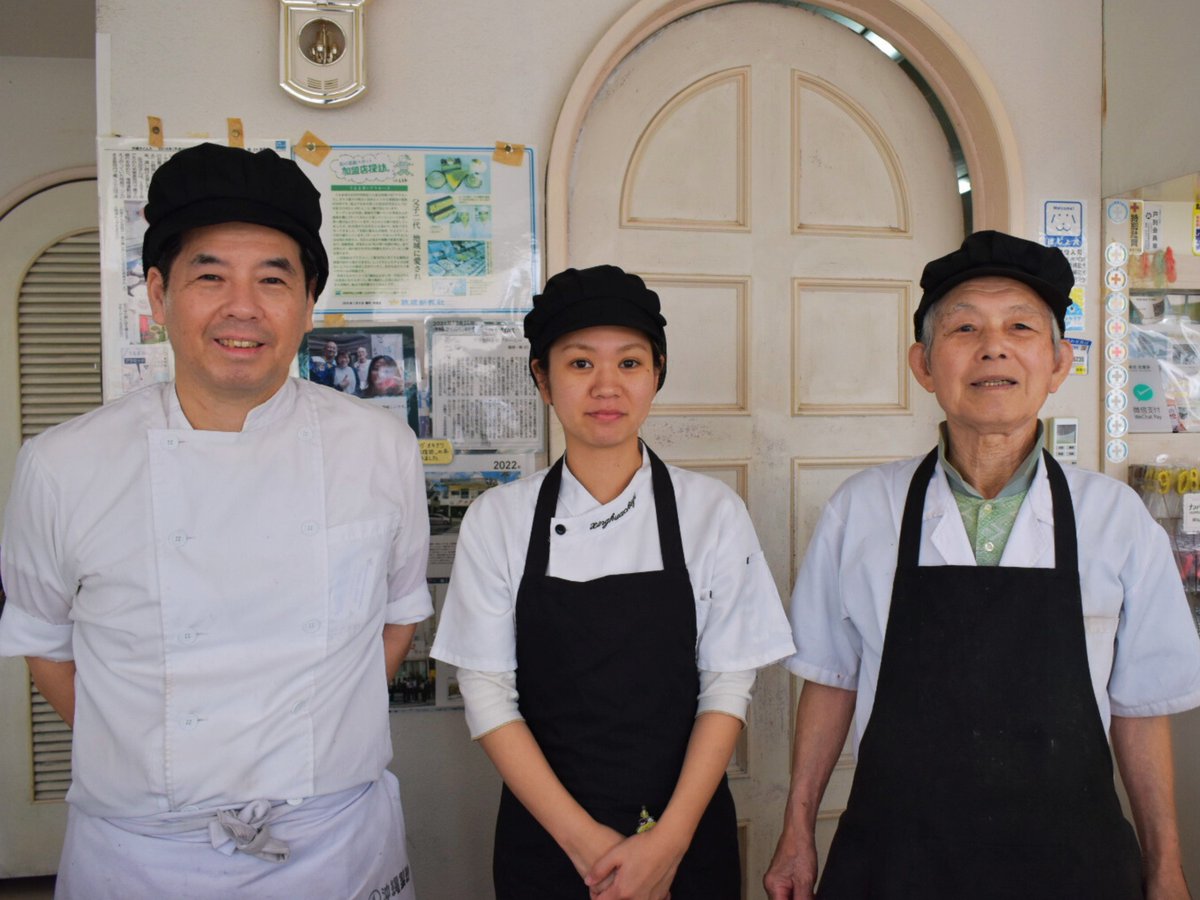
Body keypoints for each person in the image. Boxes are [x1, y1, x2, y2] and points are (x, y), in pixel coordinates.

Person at [0, 143, 432, 899]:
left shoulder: (380, 448)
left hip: (334, 843)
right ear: (159, 294)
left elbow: (397, 620)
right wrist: (147, 757)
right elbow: (45, 642)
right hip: (141, 854)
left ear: (308, 302)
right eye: (210, 276)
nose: (243, 307)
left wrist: (315, 742)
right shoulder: (63, 465)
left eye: (273, 278)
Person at [764, 230, 1200, 900]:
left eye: (1020, 327)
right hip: (894, 860)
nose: (993, 345)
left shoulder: (1115, 520)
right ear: (924, 365)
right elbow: (831, 679)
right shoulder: (863, 509)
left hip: (1073, 864)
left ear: (1058, 363)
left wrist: (1166, 867)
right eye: (965, 327)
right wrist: (797, 830)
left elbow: (1140, 711)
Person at [431, 265, 796, 899]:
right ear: (543, 379)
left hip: (684, 836)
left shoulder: (710, 510)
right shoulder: (501, 518)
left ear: (657, 374)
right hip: (550, 841)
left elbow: (729, 681)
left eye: (629, 363)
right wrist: (589, 845)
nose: (606, 386)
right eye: (579, 364)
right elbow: (487, 691)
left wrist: (668, 844)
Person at [364, 354, 420, 435]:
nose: (380, 374)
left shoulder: (406, 395)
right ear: (370, 373)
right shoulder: (359, 396)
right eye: (376, 369)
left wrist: (402, 393)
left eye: (386, 371)